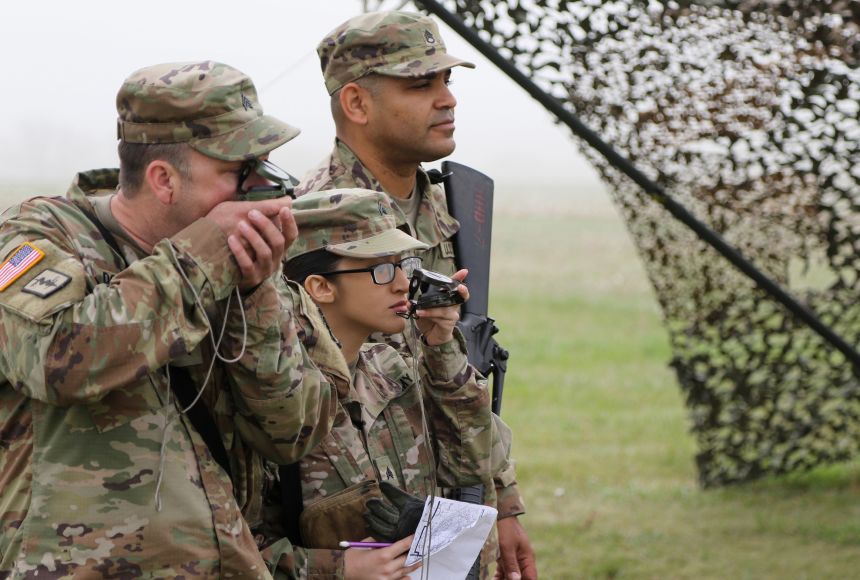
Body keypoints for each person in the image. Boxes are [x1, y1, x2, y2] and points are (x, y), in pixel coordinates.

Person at [0, 61, 338, 578]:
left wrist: (252, 296)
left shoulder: (231, 261)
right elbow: (58, 358)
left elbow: (292, 433)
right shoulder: (38, 237)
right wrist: (199, 259)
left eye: (265, 166)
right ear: (163, 180)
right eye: (239, 172)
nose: (261, 190)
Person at [296, 11, 537, 579]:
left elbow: (459, 370)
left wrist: (501, 500)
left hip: (453, 524)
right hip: (362, 544)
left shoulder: (446, 212)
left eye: (447, 81)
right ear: (356, 104)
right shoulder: (311, 230)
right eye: (420, 84)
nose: (446, 99)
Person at [256, 188, 513, 579]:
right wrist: (339, 570)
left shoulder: (393, 369)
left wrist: (442, 346)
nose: (400, 285)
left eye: (401, 265)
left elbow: (474, 468)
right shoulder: (279, 397)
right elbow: (233, 549)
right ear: (320, 287)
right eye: (380, 269)